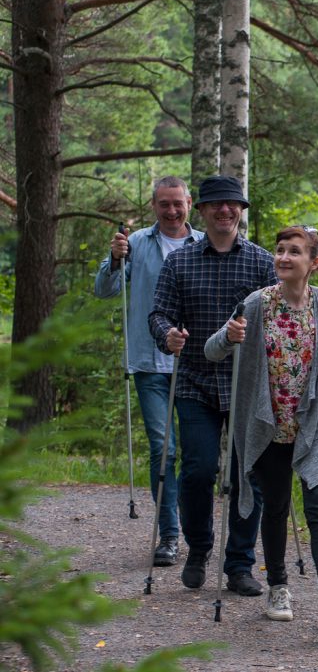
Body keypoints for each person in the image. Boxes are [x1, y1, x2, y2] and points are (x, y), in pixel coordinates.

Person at [204, 225, 318, 639]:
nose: (284, 257)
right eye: (280, 251)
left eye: (295, 252)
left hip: (316, 420)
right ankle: (278, 587)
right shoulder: (256, 304)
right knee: (274, 506)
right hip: (266, 423)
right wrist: (228, 335)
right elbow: (212, 349)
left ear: (315, 262)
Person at [149, 175, 277, 597]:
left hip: (248, 387)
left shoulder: (261, 262)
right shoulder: (180, 262)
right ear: (201, 211)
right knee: (199, 470)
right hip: (195, 383)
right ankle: (199, 548)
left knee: (248, 475)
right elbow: (159, 314)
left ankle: (240, 565)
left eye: (233, 204)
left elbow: (278, 320)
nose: (225, 211)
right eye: (217, 205)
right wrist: (167, 335)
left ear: (241, 210)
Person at [94, 176, 202, 567]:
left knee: (194, 455)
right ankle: (169, 536)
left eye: (178, 203)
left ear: (189, 203)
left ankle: (198, 536)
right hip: (148, 363)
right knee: (164, 449)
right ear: (153, 205)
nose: (172, 211)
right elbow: (105, 290)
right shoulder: (136, 243)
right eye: (164, 204)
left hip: (194, 364)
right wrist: (115, 259)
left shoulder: (203, 245)